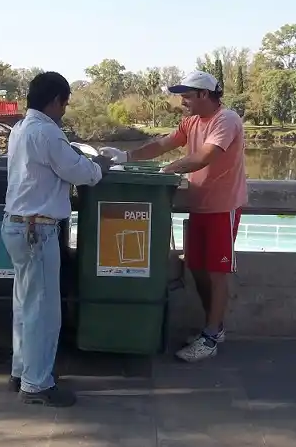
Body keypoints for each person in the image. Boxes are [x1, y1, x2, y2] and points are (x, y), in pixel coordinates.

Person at [99, 70, 247, 363]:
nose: (182, 102)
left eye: (187, 96)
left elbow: (205, 155)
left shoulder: (225, 120)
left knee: (217, 273)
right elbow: (163, 144)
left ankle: (212, 335)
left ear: (204, 95)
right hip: (199, 204)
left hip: (222, 206)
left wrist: (168, 169)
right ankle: (213, 327)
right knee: (197, 268)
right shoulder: (191, 122)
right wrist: (127, 157)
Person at [2, 71, 111, 407]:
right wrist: (99, 167)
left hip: (16, 226)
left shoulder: (21, 128)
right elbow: (79, 172)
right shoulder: (47, 133)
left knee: (25, 304)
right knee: (43, 311)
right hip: (39, 230)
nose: (64, 109)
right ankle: (36, 385)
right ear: (54, 101)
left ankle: (22, 371)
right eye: (65, 103)